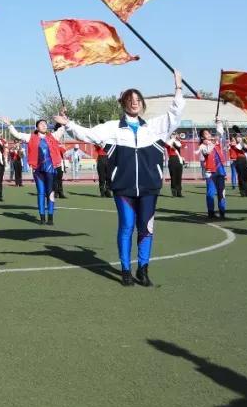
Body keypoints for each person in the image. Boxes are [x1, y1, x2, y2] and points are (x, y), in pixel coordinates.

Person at [55, 70, 184, 287]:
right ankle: (125, 270)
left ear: (142, 104)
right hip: (123, 188)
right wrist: (68, 124)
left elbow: (175, 114)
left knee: (146, 228)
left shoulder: (154, 127)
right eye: (130, 99)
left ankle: (143, 269)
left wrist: (178, 87)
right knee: (126, 226)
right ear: (123, 103)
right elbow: (86, 134)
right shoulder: (112, 128)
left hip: (149, 188)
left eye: (137, 100)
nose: (134, 103)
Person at [4, 118, 63, 224]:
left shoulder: (53, 136)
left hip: (50, 169)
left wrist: (64, 117)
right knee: (41, 193)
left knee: (50, 192)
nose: (44, 125)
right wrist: (9, 125)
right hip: (38, 169)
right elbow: (17, 134)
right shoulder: (30, 137)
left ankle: (50, 218)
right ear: (37, 127)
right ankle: (42, 218)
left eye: (45, 124)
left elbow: (63, 129)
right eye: (41, 124)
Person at [198, 124, 228, 220]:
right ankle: (211, 212)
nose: (209, 134)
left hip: (220, 171)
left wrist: (218, 122)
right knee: (211, 193)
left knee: (221, 192)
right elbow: (207, 152)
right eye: (206, 134)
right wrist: (213, 143)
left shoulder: (216, 141)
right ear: (202, 137)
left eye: (209, 133)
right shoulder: (202, 146)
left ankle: (222, 211)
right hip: (210, 172)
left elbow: (220, 132)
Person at [229, 128, 247, 198]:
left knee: (246, 177)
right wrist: (241, 143)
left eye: (240, 137)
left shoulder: (245, 142)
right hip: (239, 160)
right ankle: (242, 191)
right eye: (237, 137)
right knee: (240, 176)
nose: (239, 138)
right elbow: (237, 148)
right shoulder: (234, 144)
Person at [166, 133, 185, 198]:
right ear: (170, 135)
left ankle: (179, 192)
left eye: (175, 134)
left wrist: (179, 139)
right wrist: (173, 139)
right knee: (173, 177)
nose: (175, 135)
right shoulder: (169, 142)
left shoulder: (178, 142)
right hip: (172, 159)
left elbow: (184, 146)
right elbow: (167, 145)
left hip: (178, 159)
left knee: (179, 177)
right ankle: (174, 192)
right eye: (173, 134)